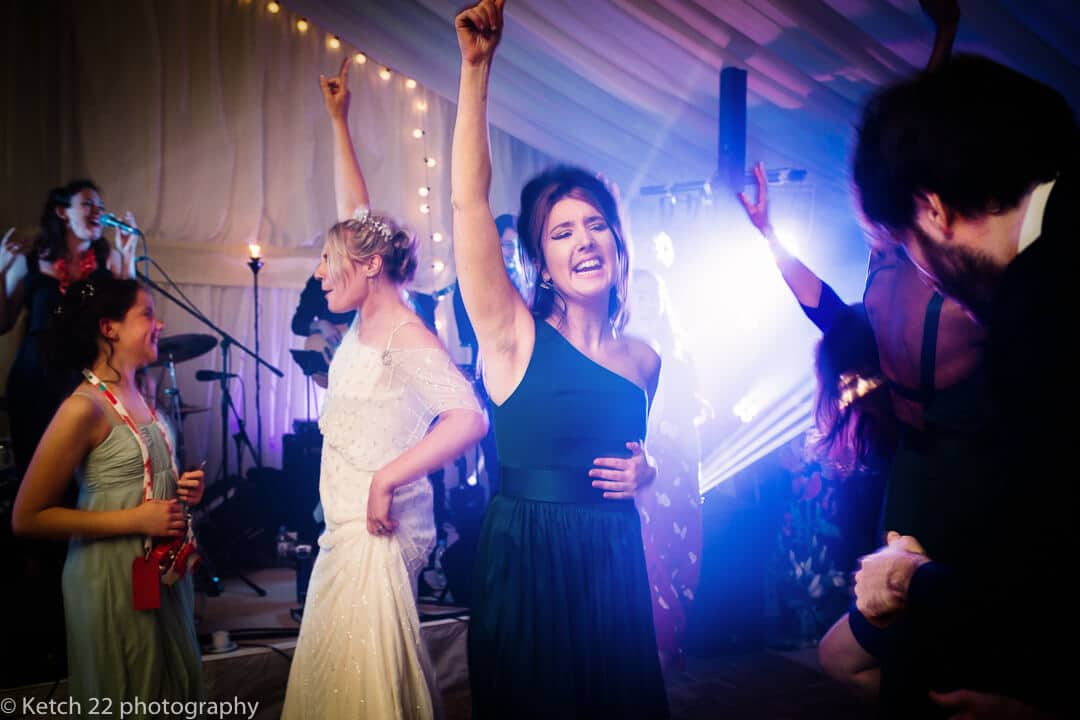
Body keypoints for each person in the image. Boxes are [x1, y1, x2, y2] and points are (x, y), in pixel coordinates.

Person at [451, 2, 668, 717]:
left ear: (617, 245)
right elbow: (467, 205)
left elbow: (638, 455)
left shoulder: (644, 359)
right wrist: (476, 70)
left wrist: (648, 469)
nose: (584, 241)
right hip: (528, 561)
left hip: (615, 564)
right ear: (540, 263)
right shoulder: (512, 337)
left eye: (596, 225)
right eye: (562, 232)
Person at [851, 53, 1077, 716]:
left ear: (934, 210)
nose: (925, 273)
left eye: (907, 242)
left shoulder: (1041, 313)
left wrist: (913, 582)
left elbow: (1054, 581)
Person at [281, 57, 487, 720]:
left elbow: (468, 417)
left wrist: (386, 478)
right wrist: (339, 119)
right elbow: (355, 218)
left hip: (379, 527)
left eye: (328, 262)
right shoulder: (367, 308)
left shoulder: (403, 332)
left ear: (370, 268)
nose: (319, 275)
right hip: (345, 527)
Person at [11, 275, 206, 709]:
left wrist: (180, 488)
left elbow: (140, 479)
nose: (160, 324)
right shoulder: (83, 407)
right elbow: (26, 517)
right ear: (109, 327)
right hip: (110, 577)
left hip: (159, 574)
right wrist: (135, 520)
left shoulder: (140, 392)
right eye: (148, 314)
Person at [0, 180, 138, 684]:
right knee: (40, 487)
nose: (97, 212)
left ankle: (88, 600)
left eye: (100, 205)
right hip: (35, 381)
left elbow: (121, 318)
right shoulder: (32, 259)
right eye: (88, 206)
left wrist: (127, 262)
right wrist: (0, 269)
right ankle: (38, 620)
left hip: (81, 385)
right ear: (63, 212)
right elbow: (2, 319)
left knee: (86, 486)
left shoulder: (103, 265)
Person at [625, 268, 705, 674]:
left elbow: (694, 408)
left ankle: (672, 643)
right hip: (644, 463)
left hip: (679, 466)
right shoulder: (620, 348)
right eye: (639, 291)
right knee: (646, 549)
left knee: (680, 550)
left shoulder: (677, 349)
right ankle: (652, 643)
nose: (647, 298)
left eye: (653, 291)